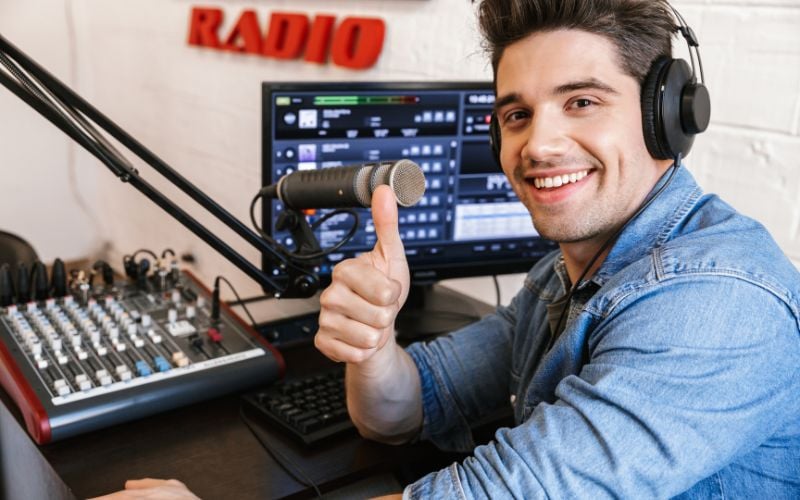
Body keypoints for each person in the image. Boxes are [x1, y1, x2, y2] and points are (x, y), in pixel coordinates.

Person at [97, 0, 800, 498]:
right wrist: (374, 345)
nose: (539, 144)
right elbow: (406, 408)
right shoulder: (566, 274)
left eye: (582, 101)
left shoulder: (718, 302)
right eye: (517, 115)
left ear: (667, 116)